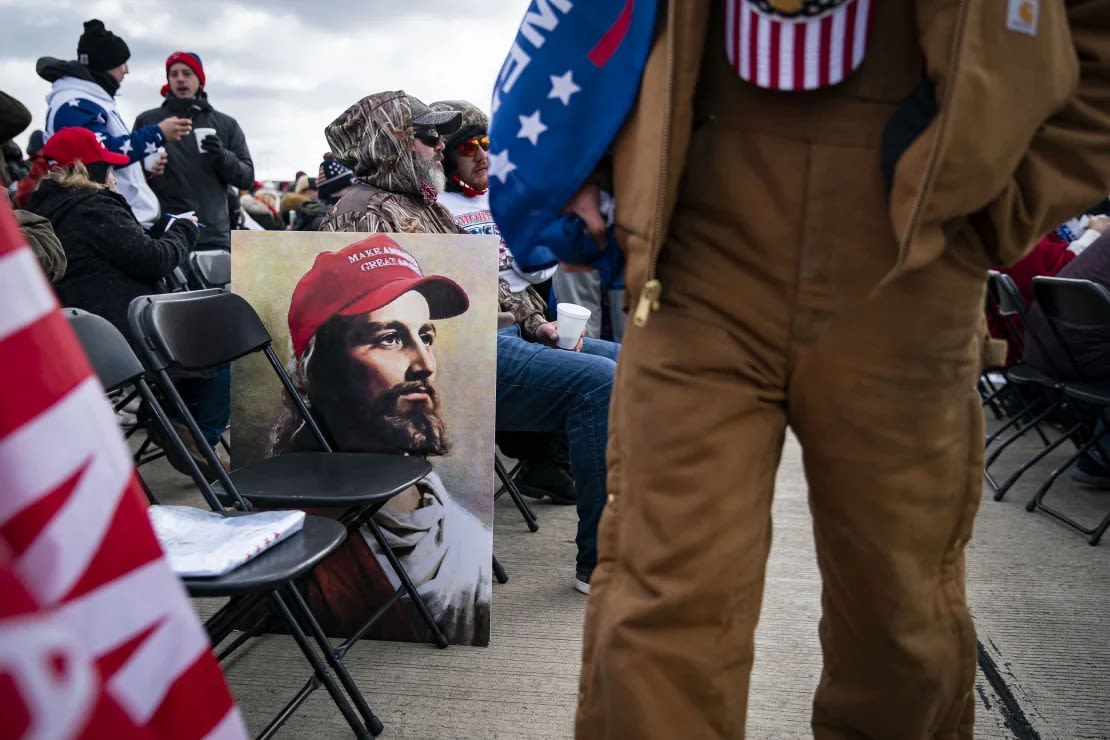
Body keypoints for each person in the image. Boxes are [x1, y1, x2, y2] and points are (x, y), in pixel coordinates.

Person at [489, 1, 1110, 738]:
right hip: (700, 245)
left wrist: (996, 205)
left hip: (909, 258)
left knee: (900, 613)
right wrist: (585, 155)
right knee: (662, 597)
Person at [323, 91, 616, 593]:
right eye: (428, 137)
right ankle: (602, 562)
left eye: (441, 138)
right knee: (600, 381)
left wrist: (534, 321)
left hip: (492, 337)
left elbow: (485, 280)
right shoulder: (365, 211)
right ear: (389, 144)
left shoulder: (421, 202)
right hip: (454, 357)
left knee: (619, 359)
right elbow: (386, 323)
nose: (440, 147)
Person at [270, 235, 492, 646]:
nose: (424, 364)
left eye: (425, 337)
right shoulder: (299, 548)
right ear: (320, 367)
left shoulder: (462, 532)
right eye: (389, 338)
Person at [36, 19, 193, 229]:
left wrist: (143, 170)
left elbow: (106, 158)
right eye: (122, 63)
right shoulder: (73, 103)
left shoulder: (92, 99)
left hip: (119, 220)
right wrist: (157, 134)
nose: (126, 71)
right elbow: (95, 156)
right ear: (105, 65)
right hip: (106, 224)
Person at [134, 51, 255, 250]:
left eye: (187, 73)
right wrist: (148, 171)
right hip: (162, 233)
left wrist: (222, 155)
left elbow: (246, 179)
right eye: (174, 74)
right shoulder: (148, 121)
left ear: (200, 79)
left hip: (212, 234)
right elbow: (129, 177)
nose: (180, 79)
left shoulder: (226, 124)